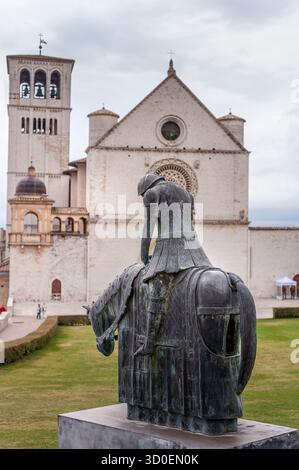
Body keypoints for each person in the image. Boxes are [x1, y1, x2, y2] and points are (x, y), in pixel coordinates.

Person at [135, 174, 211, 356]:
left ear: (145, 189)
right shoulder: (187, 194)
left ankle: (148, 343)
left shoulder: (151, 194)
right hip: (196, 251)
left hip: (170, 250)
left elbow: (148, 229)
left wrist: (145, 257)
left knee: (157, 293)